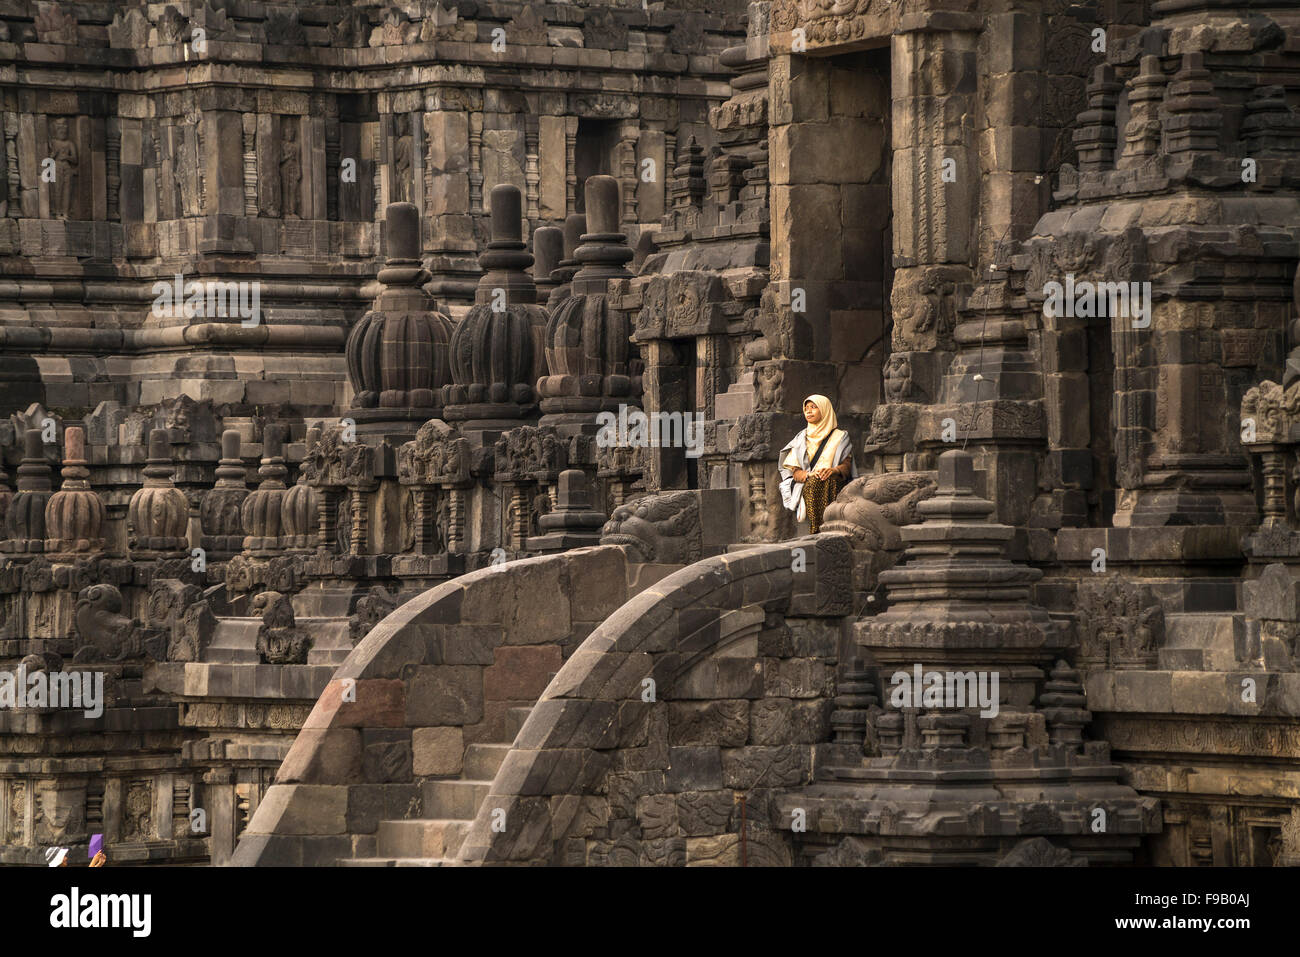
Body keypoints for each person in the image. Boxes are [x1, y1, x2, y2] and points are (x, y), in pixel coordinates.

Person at [778, 394, 857, 534]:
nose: (808, 411)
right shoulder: (801, 438)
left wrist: (834, 470)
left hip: (835, 480)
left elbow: (847, 465)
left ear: (825, 410)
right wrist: (810, 474)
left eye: (814, 407)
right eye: (806, 408)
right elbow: (795, 472)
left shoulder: (840, 436)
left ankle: (829, 525)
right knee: (816, 481)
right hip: (808, 482)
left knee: (828, 480)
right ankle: (817, 529)